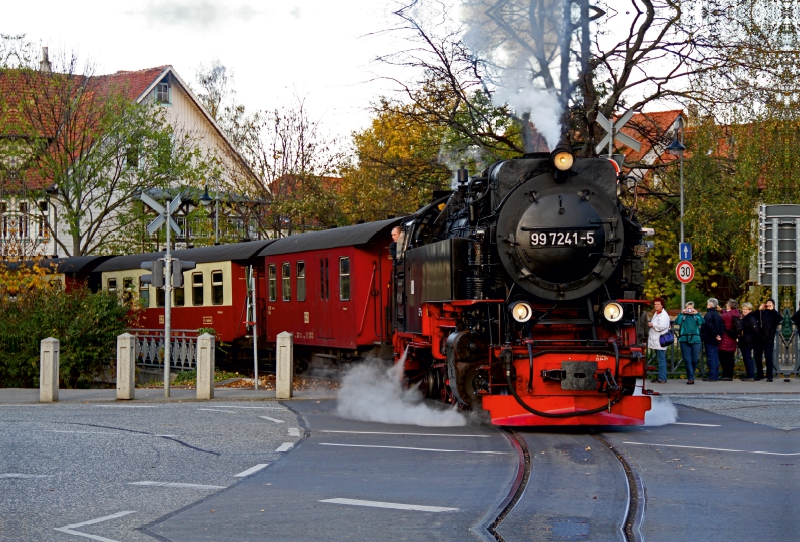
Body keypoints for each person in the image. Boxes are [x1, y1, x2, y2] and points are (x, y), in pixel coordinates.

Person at [674, 301, 704, 384]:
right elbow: (677, 322)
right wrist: (681, 313)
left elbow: (702, 322)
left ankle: (691, 374)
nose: (689, 310)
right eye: (688, 308)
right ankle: (691, 378)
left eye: (691, 308)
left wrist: (697, 314)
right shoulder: (683, 316)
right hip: (684, 339)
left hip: (695, 339)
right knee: (687, 359)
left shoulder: (696, 316)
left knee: (695, 359)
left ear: (693, 308)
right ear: (685, 308)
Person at [754, 298, 781, 382]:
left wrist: (773, 310)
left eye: (770, 303)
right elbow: (754, 317)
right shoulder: (762, 312)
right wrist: (759, 309)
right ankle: (760, 374)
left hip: (768, 339)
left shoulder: (774, 314)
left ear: (773, 305)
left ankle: (769, 376)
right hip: (759, 338)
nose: (768, 304)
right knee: (757, 357)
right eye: (767, 303)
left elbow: (779, 319)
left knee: (768, 358)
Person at [647, 297, 671, 383]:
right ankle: (660, 377)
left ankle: (662, 378)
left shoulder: (663, 315)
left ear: (662, 305)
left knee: (661, 360)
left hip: (660, 340)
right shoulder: (657, 313)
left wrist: (652, 324)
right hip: (657, 340)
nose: (656, 306)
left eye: (658, 304)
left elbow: (662, 326)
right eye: (655, 304)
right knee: (660, 359)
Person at [701, 298, 724, 381]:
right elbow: (721, 326)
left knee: (711, 356)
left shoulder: (709, 314)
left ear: (710, 305)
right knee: (715, 356)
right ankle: (715, 374)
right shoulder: (718, 314)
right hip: (716, 338)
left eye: (707, 303)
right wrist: (719, 335)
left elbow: (709, 326)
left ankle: (712, 375)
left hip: (710, 338)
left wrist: (715, 334)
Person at [719, 299, 740, 381]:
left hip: (725, 339)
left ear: (729, 306)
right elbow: (727, 314)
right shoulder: (736, 313)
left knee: (723, 358)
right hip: (732, 339)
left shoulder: (727, 315)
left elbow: (721, 317)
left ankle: (726, 375)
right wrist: (721, 310)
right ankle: (730, 375)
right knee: (730, 358)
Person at [739, 302, 758, 380]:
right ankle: (749, 375)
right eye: (743, 309)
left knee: (747, 358)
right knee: (746, 358)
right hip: (745, 340)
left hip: (748, 340)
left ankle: (750, 375)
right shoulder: (745, 317)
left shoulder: (750, 318)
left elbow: (755, 330)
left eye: (746, 309)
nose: (744, 310)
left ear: (750, 310)